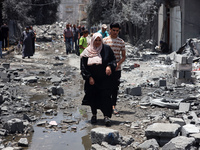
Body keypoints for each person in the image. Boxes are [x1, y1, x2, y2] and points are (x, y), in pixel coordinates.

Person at [80, 32, 116, 126]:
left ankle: (106, 116)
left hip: (105, 79)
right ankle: (94, 115)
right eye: (96, 40)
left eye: (99, 40)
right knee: (93, 98)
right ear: (92, 40)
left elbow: (113, 60)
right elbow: (83, 66)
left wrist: (109, 66)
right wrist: (89, 77)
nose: (98, 42)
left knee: (106, 97)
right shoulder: (87, 51)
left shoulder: (106, 49)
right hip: (92, 80)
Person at [103, 23, 126, 115]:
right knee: (106, 87)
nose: (115, 32)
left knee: (115, 88)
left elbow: (124, 56)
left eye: (117, 31)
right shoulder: (104, 41)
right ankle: (106, 105)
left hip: (117, 69)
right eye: (114, 30)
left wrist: (118, 64)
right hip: (106, 68)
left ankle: (113, 106)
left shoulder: (121, 42)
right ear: (110, 30)